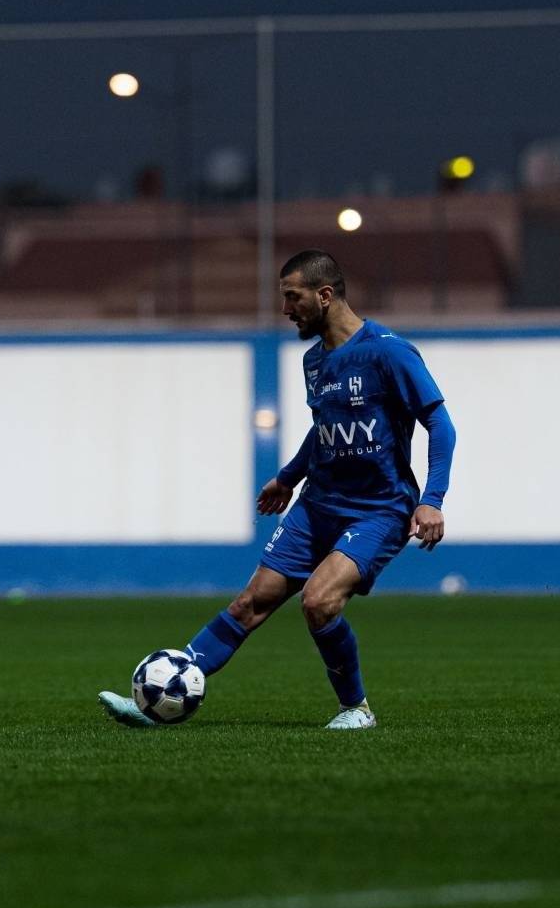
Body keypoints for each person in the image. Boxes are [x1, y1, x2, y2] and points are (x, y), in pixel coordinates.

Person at [99, 248, 456, 730]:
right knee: (250, 603)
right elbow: (323, 429)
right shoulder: (315, 361)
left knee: (319, 602)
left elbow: (440, 423)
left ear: (325, 295)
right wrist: (288, 477)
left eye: (293, 297)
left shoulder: (389, 352)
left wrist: (432, 500)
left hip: (378, 510)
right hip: (317, 505)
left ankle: (356, 709)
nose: (286, 309)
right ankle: (162, 697)